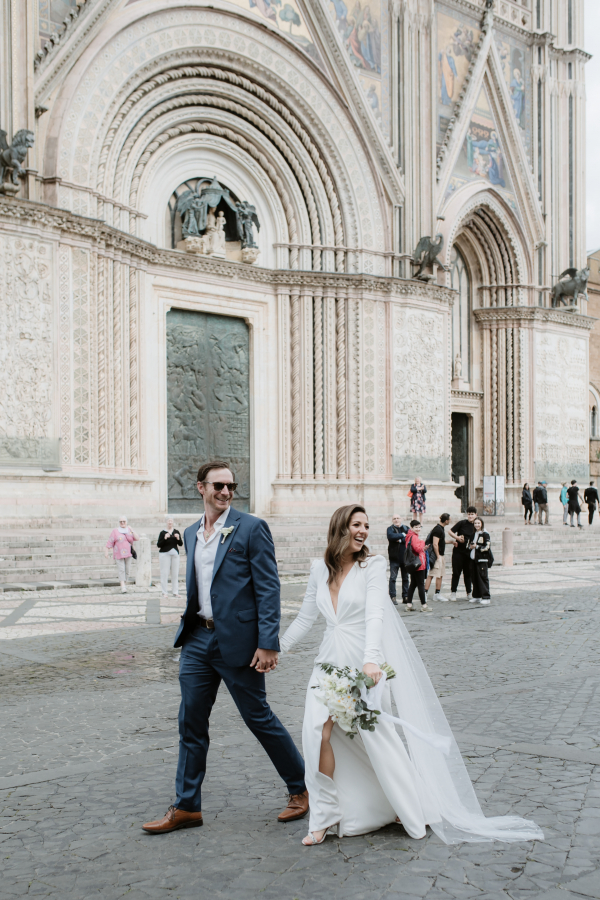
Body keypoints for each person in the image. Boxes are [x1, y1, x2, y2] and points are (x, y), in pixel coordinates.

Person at [280, 504, 543, 845]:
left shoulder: (372, 565)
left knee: (376, 737)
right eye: (356, 524)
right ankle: (324, 815)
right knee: (316, 731)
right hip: (327, 661)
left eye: (366, 525)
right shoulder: (319, 569)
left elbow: (376, 612)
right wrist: (275, 650)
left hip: (363, 660)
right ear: (339, 527)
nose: (363, 530)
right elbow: (304, 618)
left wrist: (371, 660)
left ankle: (408, 802)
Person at [142, 460, 307, 835]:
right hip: (198, 639)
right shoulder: (188, 533)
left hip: (241, 644)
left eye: (231, 486)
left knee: (258, 718)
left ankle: (301, 788)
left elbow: (269, 589)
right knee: (191, 723)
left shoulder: (251, 528)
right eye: (218, 485)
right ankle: (187, 806)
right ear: (200, 488)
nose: (226, 492)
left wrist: (269, 644)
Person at [447, 507, 477, 601]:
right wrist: (457, 538)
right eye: (469, 514)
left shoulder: (476, 525)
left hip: (469, 553)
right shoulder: (462, 523)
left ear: (476, 515)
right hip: (458, 552)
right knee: (456, 572)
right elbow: (450, 531)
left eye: (472, 514)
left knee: (468, 573)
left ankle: (469, 593)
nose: (470, 516)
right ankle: (453, 593)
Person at [104, 516, 138, 593]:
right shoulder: (115, 531)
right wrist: (106, 551)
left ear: (126, 522)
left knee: (127, 570)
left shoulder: (129, 530)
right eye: (120, 521)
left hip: (128, 553)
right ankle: (123, 586)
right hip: (118, 553)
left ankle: (124, 584)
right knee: (121, 569)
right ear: (119, 523)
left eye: (124, 521)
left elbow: (137, 538)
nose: (122, 523)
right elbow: (110, 541)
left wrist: (132, 529)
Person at [404, 520, 428, 611]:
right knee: (421, 585)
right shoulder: (414, 537)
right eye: (416, 527)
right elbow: (417, 549)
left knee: (413, 584)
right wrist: (422, 543)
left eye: (419, 527)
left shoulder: (409, 536)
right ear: (411, 528)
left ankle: (409, 605)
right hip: (418, 564)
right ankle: (424, 605)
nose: (418, 529)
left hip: (413, 563)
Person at [425, 514, 450, 602]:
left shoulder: (440, 529)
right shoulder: (437, 529)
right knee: (432, 574)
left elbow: (441, 541)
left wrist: (452, 542)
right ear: (446, 521)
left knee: (440, 575)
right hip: (436, 556)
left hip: (440, 555)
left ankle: (437, 593)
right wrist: (438, 556)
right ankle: (425, 593)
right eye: (449, 519)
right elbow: (435, 544)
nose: (450, 521)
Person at [157, 517, 183, 598]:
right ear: (166, 522)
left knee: (175, 574)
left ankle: (175, 592)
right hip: (164, 554)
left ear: (173, 522)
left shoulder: (176, 531)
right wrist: (165, 538)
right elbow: (159, 544)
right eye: (168, 521)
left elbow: (180, 544)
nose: (170, 522)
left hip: (175, 554)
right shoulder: (162, 533)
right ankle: (164, 592)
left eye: (171, 521)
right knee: (164, 573)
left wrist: (178, 538)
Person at [387, 514, 409, 606]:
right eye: (394, 519)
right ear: (392, 520)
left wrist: (399, 539)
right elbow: (391, 537)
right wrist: (403, 535)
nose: (396, 520)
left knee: (405, 578)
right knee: (393, 578)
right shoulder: (390, 529)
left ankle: (406, 596)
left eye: (398, 518)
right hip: (394, 558)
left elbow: (409, 539)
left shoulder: (406, 528)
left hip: (405, 558)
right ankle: (393, 597)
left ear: (401, 519)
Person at [468, 517, 491, 605]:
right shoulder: (473, 534)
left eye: (478, 523)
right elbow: (468, 545)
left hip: (482, 560)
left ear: (481, 524)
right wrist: (470, 547)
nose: (477, 525)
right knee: (475, 579)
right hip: (473, 559)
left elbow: (487, 547)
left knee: (482, 578)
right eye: (475, 523)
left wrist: (476, 546)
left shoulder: (485, 534)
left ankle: (486, 596)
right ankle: (476, 596)